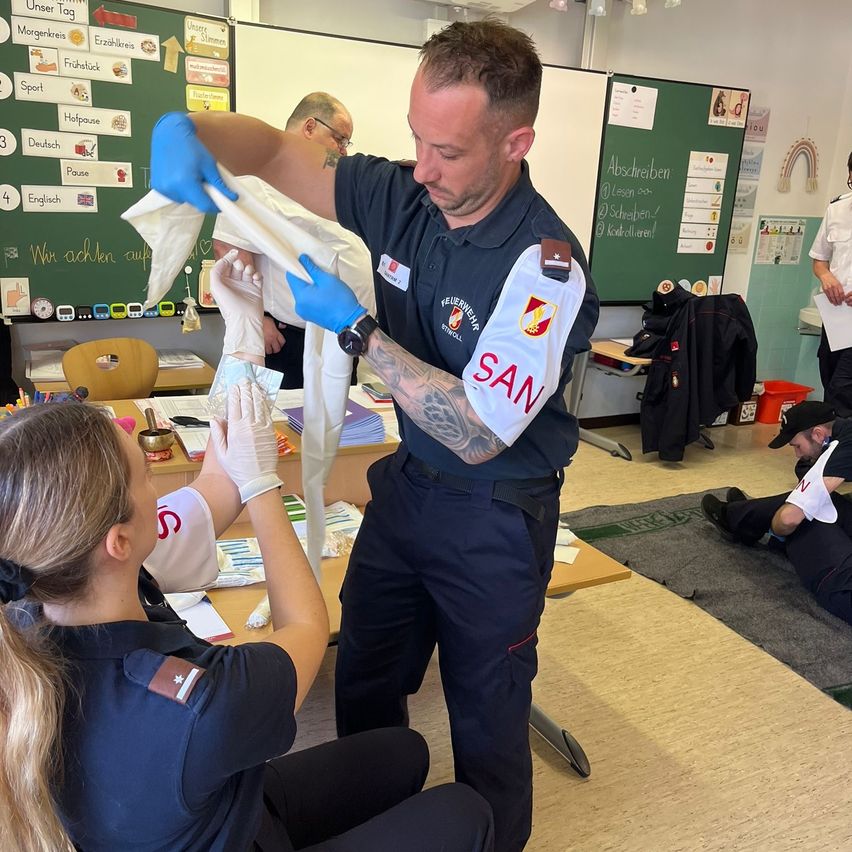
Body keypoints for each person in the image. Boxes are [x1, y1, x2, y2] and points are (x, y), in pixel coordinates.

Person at [149, 20, 599, 851]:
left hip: (495, 512)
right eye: (417, 140)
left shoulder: (544, 268)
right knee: (365, 671)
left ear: (516, 142)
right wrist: (196, 130)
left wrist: (355, 331)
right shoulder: (407, 194)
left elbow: (477, 432)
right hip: (409, 489)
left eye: (449, 152)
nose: (423, 167)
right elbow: (279, 154)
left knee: (485, 710)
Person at [0, 254, 494, 852]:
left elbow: (213, 486)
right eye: (144, 481)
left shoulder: (45, 586)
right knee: (466, 813)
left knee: (405, 751)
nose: (162, 492)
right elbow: (306, 626)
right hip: (226, 814)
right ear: (119, 540)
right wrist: (264, 487)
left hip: (223, 807)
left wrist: (240, 329)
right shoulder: (202, 701)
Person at [212, 92, 373, 388]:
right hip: (291, 342)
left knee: (343, 430)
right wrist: (258, 320)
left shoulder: (331, 183)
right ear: (310, 127)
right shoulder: (255, 179)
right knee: (287, 430)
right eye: (340, 139)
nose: (344, 150)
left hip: (342, 335)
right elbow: (228, 250)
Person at [701, 400, 852, 626]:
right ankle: (745, 516)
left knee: (805, 513)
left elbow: (788, 519)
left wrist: (778, 525)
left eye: (797, 446)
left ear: (819, 434)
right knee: (824, 502)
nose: (796, 454)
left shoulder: (843, 444)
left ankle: (739, 518)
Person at [809, 151, 852, 416]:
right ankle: (832, 448)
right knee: (830, 380)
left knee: (842, 391)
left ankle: (839, 451)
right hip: (836, 318)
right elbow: (819, 260)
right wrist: (825, 277)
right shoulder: (837, 209)